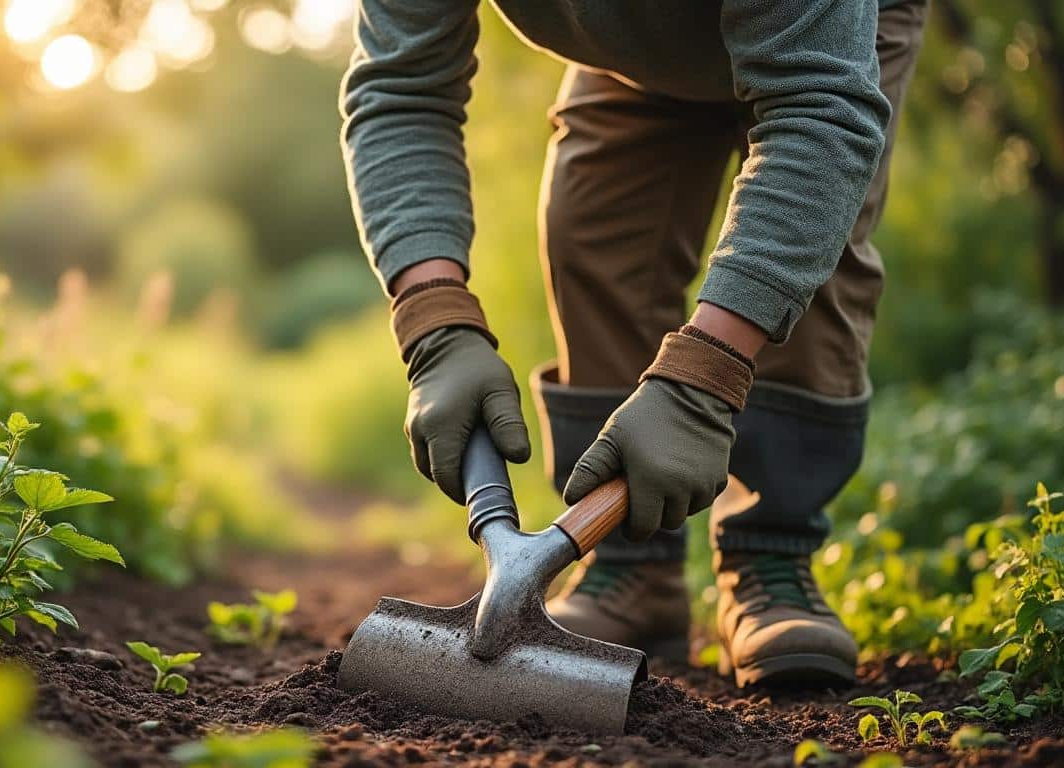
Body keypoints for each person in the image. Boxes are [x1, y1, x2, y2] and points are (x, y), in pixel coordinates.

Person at [340, 0, 928, 687]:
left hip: (826, 40)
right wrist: (435, 324)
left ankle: (773, 555)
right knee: (593, 233)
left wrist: (704, 379)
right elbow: (400, 90)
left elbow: (820, 116)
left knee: (810, 257)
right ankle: (629, 569)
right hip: (633, 53)